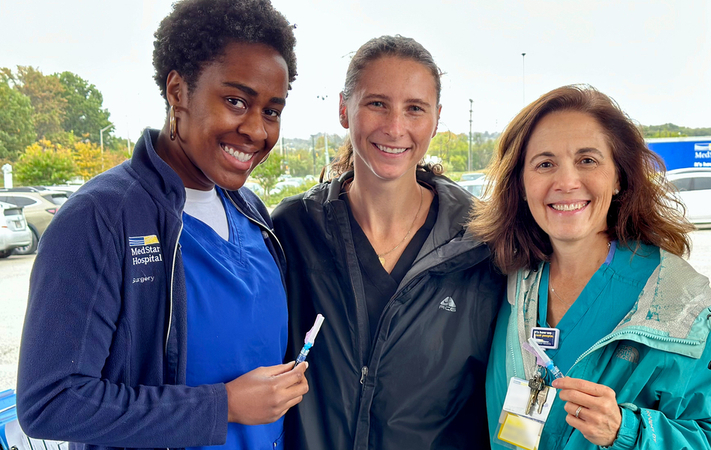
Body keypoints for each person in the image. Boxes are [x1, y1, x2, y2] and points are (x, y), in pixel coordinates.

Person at [16, 1, 308, 449]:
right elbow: (50, 401)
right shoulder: (102, 217)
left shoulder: (251, 212)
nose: (256, 129)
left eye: (271, 110)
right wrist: (222, 406)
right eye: (235, 101)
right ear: (177, 91)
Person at [470, 85, 711, 449]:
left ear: (619, 177)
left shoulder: (679, 305)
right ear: (522, 183)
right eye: (545, 164)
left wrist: (628, 431)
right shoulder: (510, 280)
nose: (565, 182)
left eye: (587, 160)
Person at [272, 35, 504, 449]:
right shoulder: (293, 229)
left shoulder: (482, 239)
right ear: (345, 110)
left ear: (435, 119)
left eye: (414, 108)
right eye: (377, 103)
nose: (395, 128)